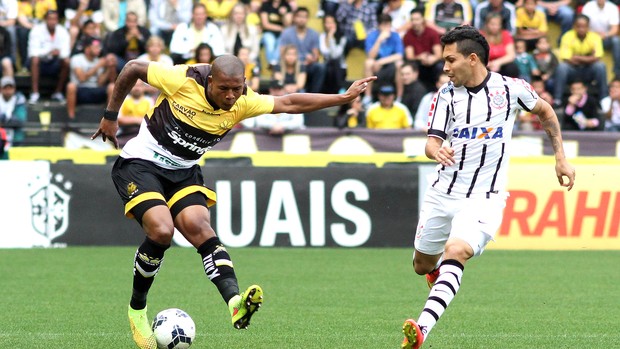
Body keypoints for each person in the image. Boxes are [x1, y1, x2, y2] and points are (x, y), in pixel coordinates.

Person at [90, 54, 375, 349]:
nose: (230, 96)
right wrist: (110, 116)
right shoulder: (182, 79)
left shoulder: (244, 101)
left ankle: (235, 303)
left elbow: (289, 103)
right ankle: (137, 310)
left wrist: (343, 98)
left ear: (244, 85)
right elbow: (133, 68)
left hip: (184, 172)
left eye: (236, 89)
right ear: (210, 81)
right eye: (223, 88)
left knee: (200, 228)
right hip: (141, 163)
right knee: (162, 231)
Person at [400, 25, 575, 349]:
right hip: (444, 192)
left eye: (450, 60)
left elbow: (546, 112)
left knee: (458, 251)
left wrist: (560, 158)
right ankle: (435, 272)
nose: (445, 67)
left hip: (486, 196)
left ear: (472, 58)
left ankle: (421, 329)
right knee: (421, 265)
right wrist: (436, 150)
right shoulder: (444, 96)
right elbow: (431, 143)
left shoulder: (511, 89)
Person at [553, 14, 608, 106]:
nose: (581, 29)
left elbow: (597, 58)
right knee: (562, 67)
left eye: (584, 26)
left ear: (588, 27)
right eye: (578, 26)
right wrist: (590, 57)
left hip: (588, 71)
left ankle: (604, 99)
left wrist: (576, 57)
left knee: (600, 66)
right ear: (574, 26)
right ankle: (557, 99)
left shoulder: (595, 37)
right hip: (573, 70)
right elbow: (567, 59)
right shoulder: (567, 36)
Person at [66, 37, 116, 122]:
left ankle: (109, 119)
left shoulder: (98, 61)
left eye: (99, 47)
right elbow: (82, 78)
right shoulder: (77, 59)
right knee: (71, 86)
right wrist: (98, 66)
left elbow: (100, 82)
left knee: (112, 86)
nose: (99, 50)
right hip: (81, 90)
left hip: (95, 90)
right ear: (87, 49)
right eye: (96, 47)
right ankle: (71, 117)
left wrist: (109, 68)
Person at [27, 9, 70, 105]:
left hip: (54, 63)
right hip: (39, 63)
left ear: (58, 20)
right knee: (35, 60)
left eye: (55, 19)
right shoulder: (36, 30)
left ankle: (58, 92)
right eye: (50, 19)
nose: (52, 22)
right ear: (45, 19)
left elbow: (66, 53)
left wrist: (58, 54)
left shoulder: (63, 31)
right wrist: (49, 52)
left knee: (66, 61)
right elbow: (33, 52)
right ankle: (35, 93)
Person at [279, 7, 326, 94]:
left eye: (304, 17)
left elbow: (316, 55)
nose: (301, 19)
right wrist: (296, 60)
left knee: (320, 67)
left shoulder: (314, 34)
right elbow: (282, 52)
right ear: (294, 18)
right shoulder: (286, 33)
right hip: (291, 65)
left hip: (307, 65)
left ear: (307, 19)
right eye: (299, 16)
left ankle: (314, 97)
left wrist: (311, 59)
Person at [363, 13, 404, 104]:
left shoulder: (395, 36)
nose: (387, 28)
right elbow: (371, 56)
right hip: (375, 65)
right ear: (379, 25)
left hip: (390, 64)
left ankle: (399, 97)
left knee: (399, 64)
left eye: (389, 25)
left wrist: (381, 62)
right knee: (368, 63)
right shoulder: (372, 36)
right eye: (384, 25)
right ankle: (367, 97)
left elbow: (399, 55)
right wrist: (379, 40)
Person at [402, 8, 443, 91]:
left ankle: (440, 91)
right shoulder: (408, 35)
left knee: (440, 66)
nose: (415, 22)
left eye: (417, 19)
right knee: (411, 66)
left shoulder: (432, 32)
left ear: (423, 20)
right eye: (412, 19)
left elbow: (438, 54)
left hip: (432, 63)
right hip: (418, 63)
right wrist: (420, 57)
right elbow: (410, 56)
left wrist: (432, 59)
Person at [580, 0, 620, 79]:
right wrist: (594, 35)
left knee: (616, 41)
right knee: (581, 38)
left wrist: (605, 35)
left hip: (606, 38)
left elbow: (615, 29)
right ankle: (584, 75)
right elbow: (582, 25)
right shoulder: (588, 6)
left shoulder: (612, 8)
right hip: (589, 37)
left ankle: (617, 72)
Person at [104, 11, 151, 76]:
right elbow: (114, 50)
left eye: (134, 21)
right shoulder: (118, 32)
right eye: (129, 21)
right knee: (110, 58)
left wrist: (139, 37)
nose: (132, 24)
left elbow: (149, 48)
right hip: (124, 61)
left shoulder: (144, 31)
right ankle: (113, 83)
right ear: (125, 21)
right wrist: (126, 40)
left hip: (141, 61)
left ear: (137, 22)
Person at [480, 12, 520, 78]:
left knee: (512, 68)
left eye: (497, 25)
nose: (495, 27)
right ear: (487, 24)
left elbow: (511, 55)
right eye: (492, 24)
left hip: (502, 64)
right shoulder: (481, 35)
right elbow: (478, 54)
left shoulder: (505, 34)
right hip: (486, 65)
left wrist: (497, 63)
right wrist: (489, 64)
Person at [259, 0, 293, 69]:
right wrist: (281, 28)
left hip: (282, 35)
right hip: (268, 33)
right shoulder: (266, 5)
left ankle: (272, 63)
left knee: (281, 43)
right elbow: (265, 24)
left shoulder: (286, 6)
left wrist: (283, 15)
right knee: (270, 41)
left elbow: (288, 25)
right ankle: (274, 64)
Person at [319, 14, 347, 94]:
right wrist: (329, 36)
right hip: (327, 67)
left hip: (340, 68)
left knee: (335, 61)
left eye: (332, 22)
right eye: (327, 23)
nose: (330, 25)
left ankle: (341, 89)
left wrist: (331, 37)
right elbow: (324, 51)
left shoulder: (342, 38)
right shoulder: (322, 36)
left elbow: (335, 55)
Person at [0, 76, 26, 159]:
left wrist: (4, 120)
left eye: (10, 88)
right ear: (1, 89)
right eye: (5, 88)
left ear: (14, 89)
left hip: (14, 135)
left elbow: (20, 120)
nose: (8, 91)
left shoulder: (19, 99)